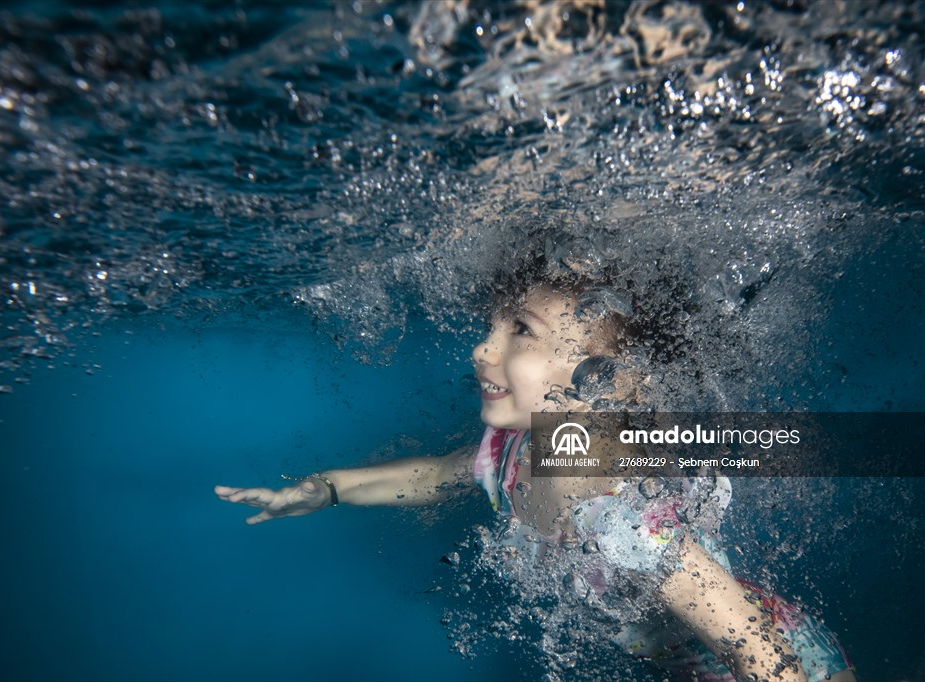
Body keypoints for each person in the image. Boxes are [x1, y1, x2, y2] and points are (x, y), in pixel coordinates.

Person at [215, 262, 856, 682]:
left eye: (520, 328)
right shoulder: (513, 452)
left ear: (612, 377)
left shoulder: (628, 521)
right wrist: (328, 488)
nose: (480, 348)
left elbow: (757, 647)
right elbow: (437, 475)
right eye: (495, 322)